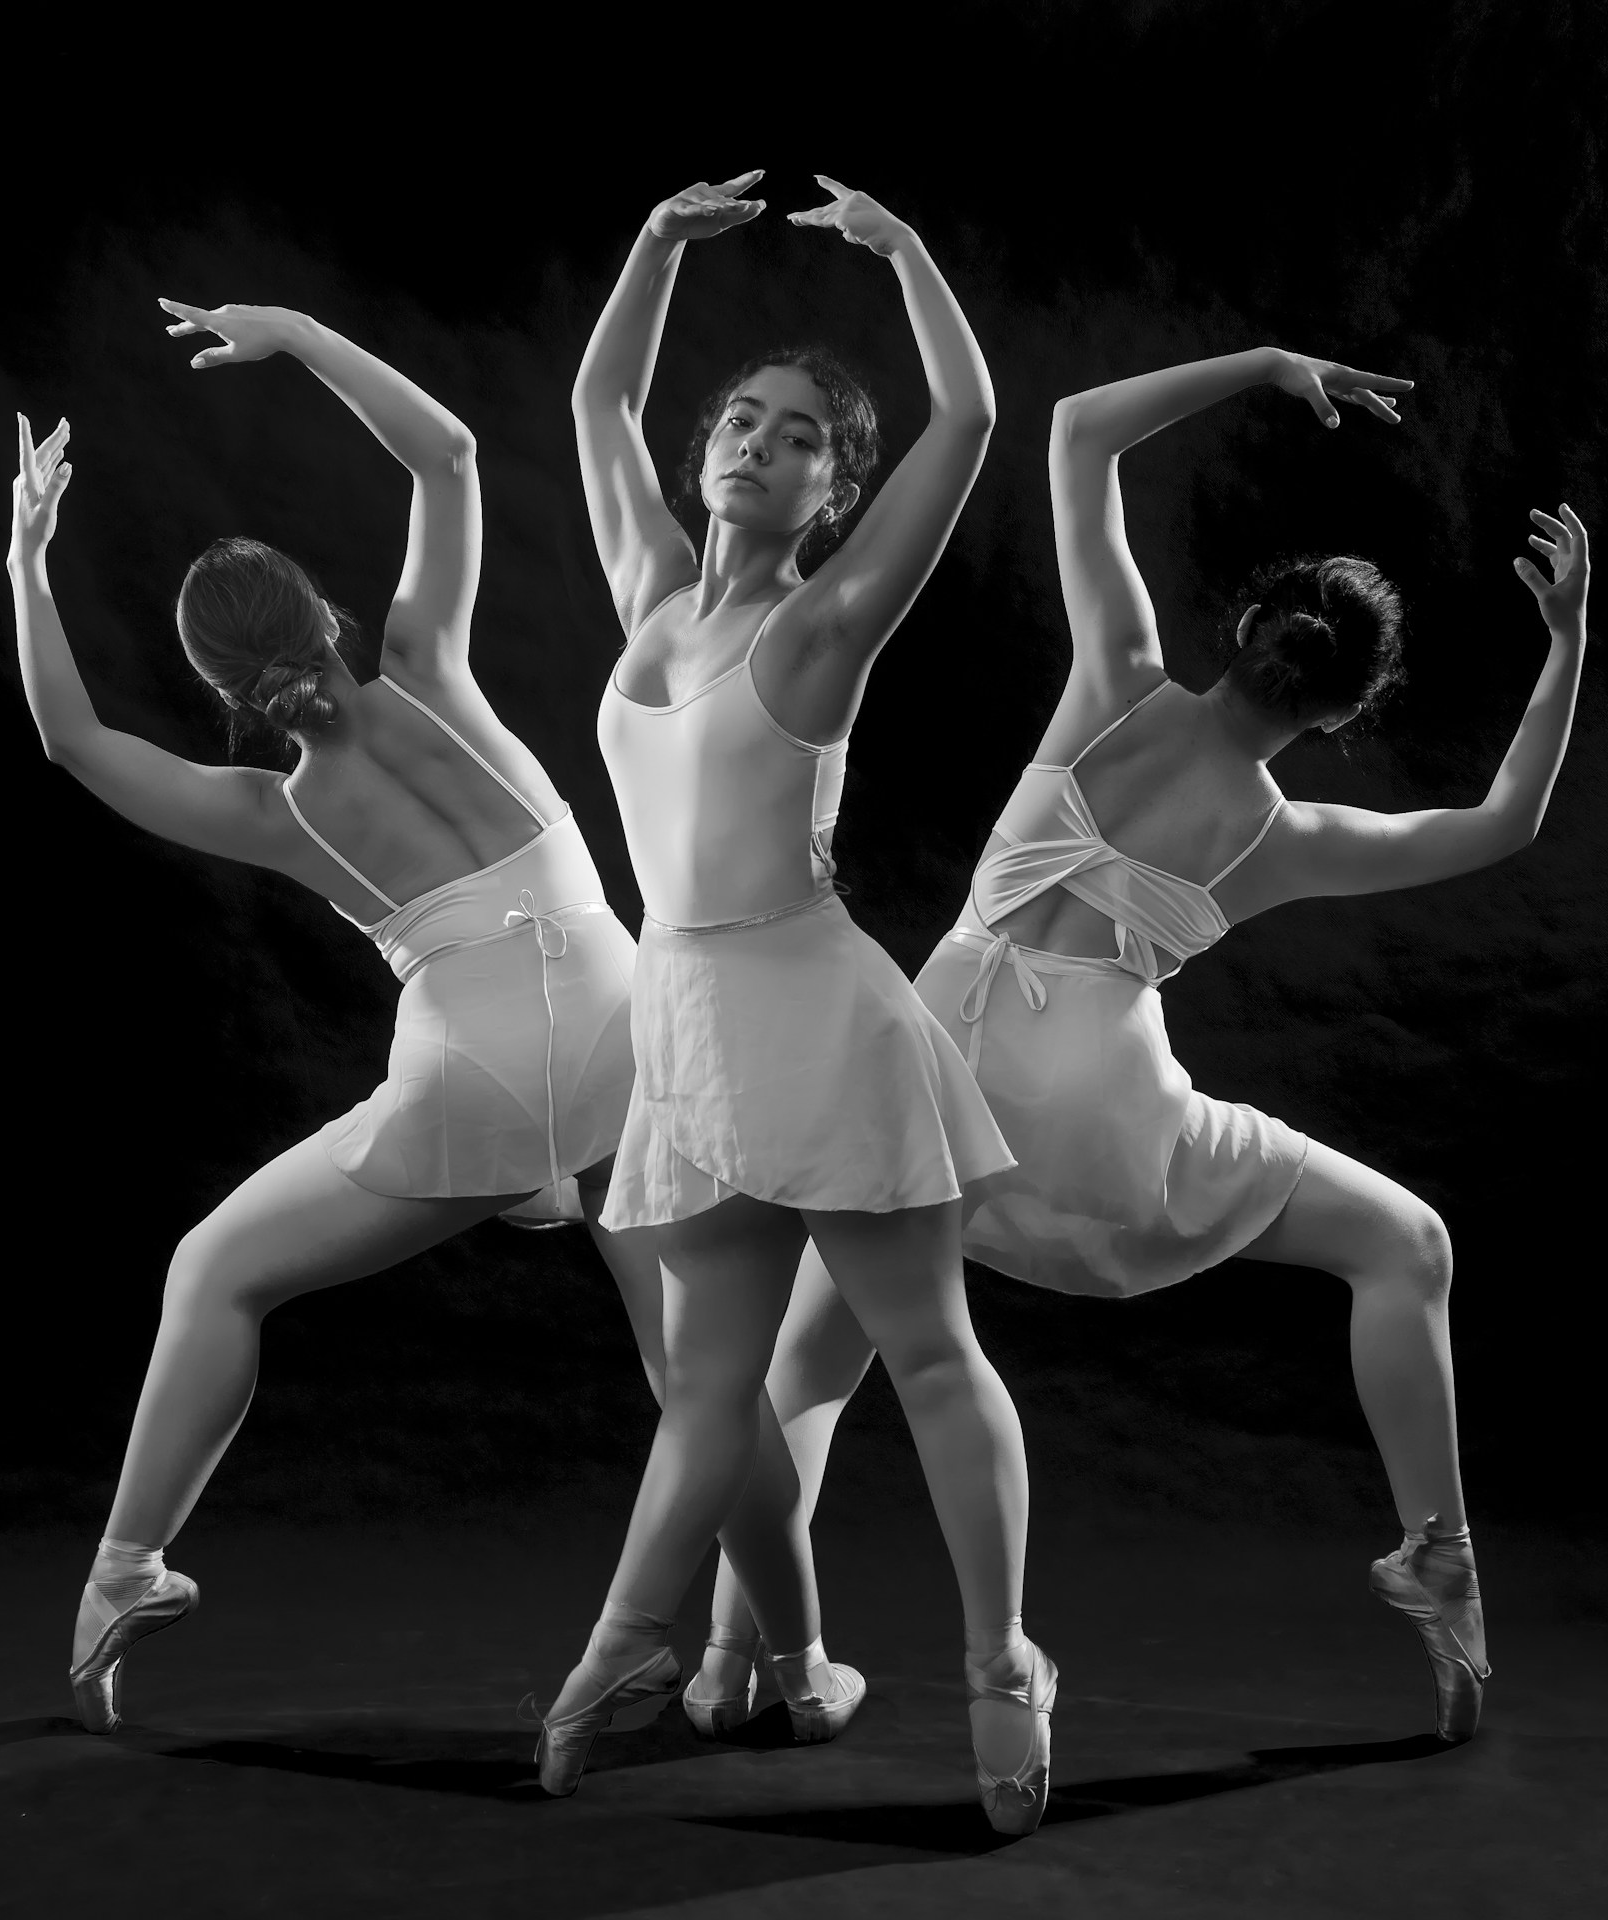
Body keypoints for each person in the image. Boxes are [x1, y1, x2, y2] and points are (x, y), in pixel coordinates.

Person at [708, 345, 1591, 1747]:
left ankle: (742, 1655)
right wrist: (1567, 641)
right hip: (1102, 1107)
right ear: (1343, 712)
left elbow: (1073, 432)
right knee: (1405, 1246)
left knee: (817, 1356)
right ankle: (1439, 1556)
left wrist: (1268, 366)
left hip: (930, 1053)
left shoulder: (1111, 684)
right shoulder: (1282, 839)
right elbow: (1502, 825)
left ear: (1240, 627)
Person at [7, 303, 661, 1733]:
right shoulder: (434, 667)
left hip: (475, 1080)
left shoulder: (275, 808)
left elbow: (70, 740)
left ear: (222, 689)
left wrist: (25, 554)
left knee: (215, 1271)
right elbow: (451, 455)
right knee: (695, 1371)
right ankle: (729, 1646)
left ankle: (124, 1568)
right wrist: (295, 333)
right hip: (631, 1030)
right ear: (321, 610)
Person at [532, 173, 1054, 1836]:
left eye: (800, 437)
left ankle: (999, 1668)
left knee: (928, 1350)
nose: (759, 443)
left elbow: (970, 414)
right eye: (742, 423)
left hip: (819, 1012)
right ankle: (621, 1654)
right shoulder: (650, 601)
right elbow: (597, 396)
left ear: (836, 492)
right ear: (708, 456)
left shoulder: (828, 621)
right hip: (688, 1020)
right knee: (715, 1388)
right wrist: (654, 250)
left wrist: (904, 250)